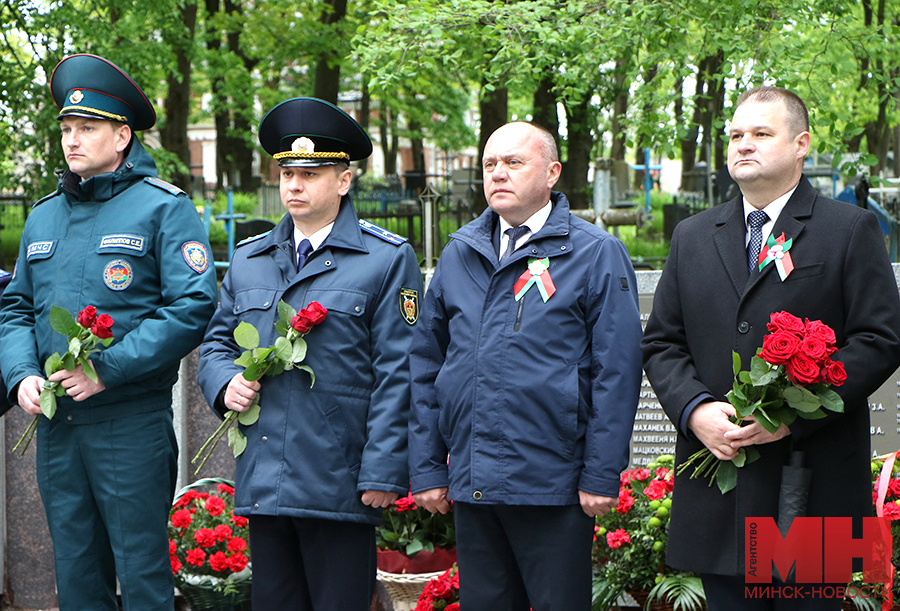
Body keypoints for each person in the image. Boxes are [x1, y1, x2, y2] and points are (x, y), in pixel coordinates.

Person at [642, 86, 900, 610]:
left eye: (762, 133)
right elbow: (662, 342)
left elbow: (879, 339)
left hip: (811, 483)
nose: (744, 145)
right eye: (736, 135)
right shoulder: (692, 236)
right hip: (721, 482)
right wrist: (694, 411)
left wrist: (793, 414)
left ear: (801, 143)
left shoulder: (849, 229)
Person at [0, 54, 217, 611]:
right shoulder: (43, 217)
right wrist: (21, 373)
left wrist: (106, 368)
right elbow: (16, 307)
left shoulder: (163, 209)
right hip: (57, 425)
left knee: (141, 572)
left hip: (129, 421)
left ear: (122, 136)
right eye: (67, 129)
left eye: (87, 128)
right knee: (74, 573)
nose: (72, 140)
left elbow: (193, 304)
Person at [196, 97, 423, 611]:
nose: (294, 185)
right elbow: (215, 343)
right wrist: (223, 381)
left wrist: (384, 469)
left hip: (339, 481)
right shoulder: (251, 259)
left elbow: (400, 370)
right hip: (266, 477)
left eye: (310, 173)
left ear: (343, 181)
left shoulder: (385, 260)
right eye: (287, 173)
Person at [409, 121, 643, 610]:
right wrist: (429, 466)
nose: (499, 174)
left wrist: (601, 474)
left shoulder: (594, 253)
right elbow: (428, 365)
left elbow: (616, 371)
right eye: (490, 164)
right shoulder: (460, 253)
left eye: (514, 163)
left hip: (551, 484)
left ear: (552, 172)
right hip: (474, 486)